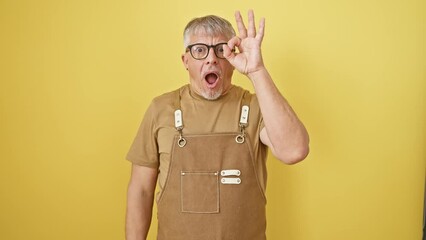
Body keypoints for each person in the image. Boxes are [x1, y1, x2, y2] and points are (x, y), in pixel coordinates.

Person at [125, 10, 309, 240]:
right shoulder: (161, 109)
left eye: (221, 50)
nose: (211, 58)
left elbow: (294, 150)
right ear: (186, 61)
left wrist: (257, 71)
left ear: (233, 58)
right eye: (200, 50)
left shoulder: (255, 107)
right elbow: (140, 191)